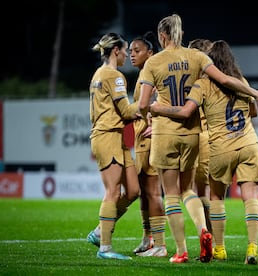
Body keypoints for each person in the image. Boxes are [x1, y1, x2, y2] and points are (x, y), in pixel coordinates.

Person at [138, 14, 258, 264]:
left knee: (183, 195)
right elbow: (234, 89)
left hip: (187, 136)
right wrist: (254, 92)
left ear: (162, 35)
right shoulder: (210, 65)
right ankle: (243, 245)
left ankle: (189, 250)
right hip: (223, 138)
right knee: (204, 192)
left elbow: (153, 105)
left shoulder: (160, 65)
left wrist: (152, 113)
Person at [86, 32, 140, 260]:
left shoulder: (98, 74)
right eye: (126, 50)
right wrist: (149, 103)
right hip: (107, 136)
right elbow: (127, 112)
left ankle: (100, 230)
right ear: (116, 50)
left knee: (134, 190)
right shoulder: (114, 76)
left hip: (114, 136)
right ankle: (105, 247)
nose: (128, 55)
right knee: (113, 192)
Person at [128, 31, 167, 257]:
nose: (132, 55)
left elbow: (156, 104)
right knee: (144, 191)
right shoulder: (144, 74)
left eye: (137, 50)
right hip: (142, 140)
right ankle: (148, 238)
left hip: (150, 140)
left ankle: (160, 244)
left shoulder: (151, 74)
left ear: (150, 53)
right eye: (131, 51)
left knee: (153, 192)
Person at [187, 38, 213, 234]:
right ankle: (213, 241)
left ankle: (209, 238)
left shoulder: (199, 83)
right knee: (208, 191)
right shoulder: (220, 79)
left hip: (200, 135)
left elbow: (186, 111)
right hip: (215, 137)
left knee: (193, 190)